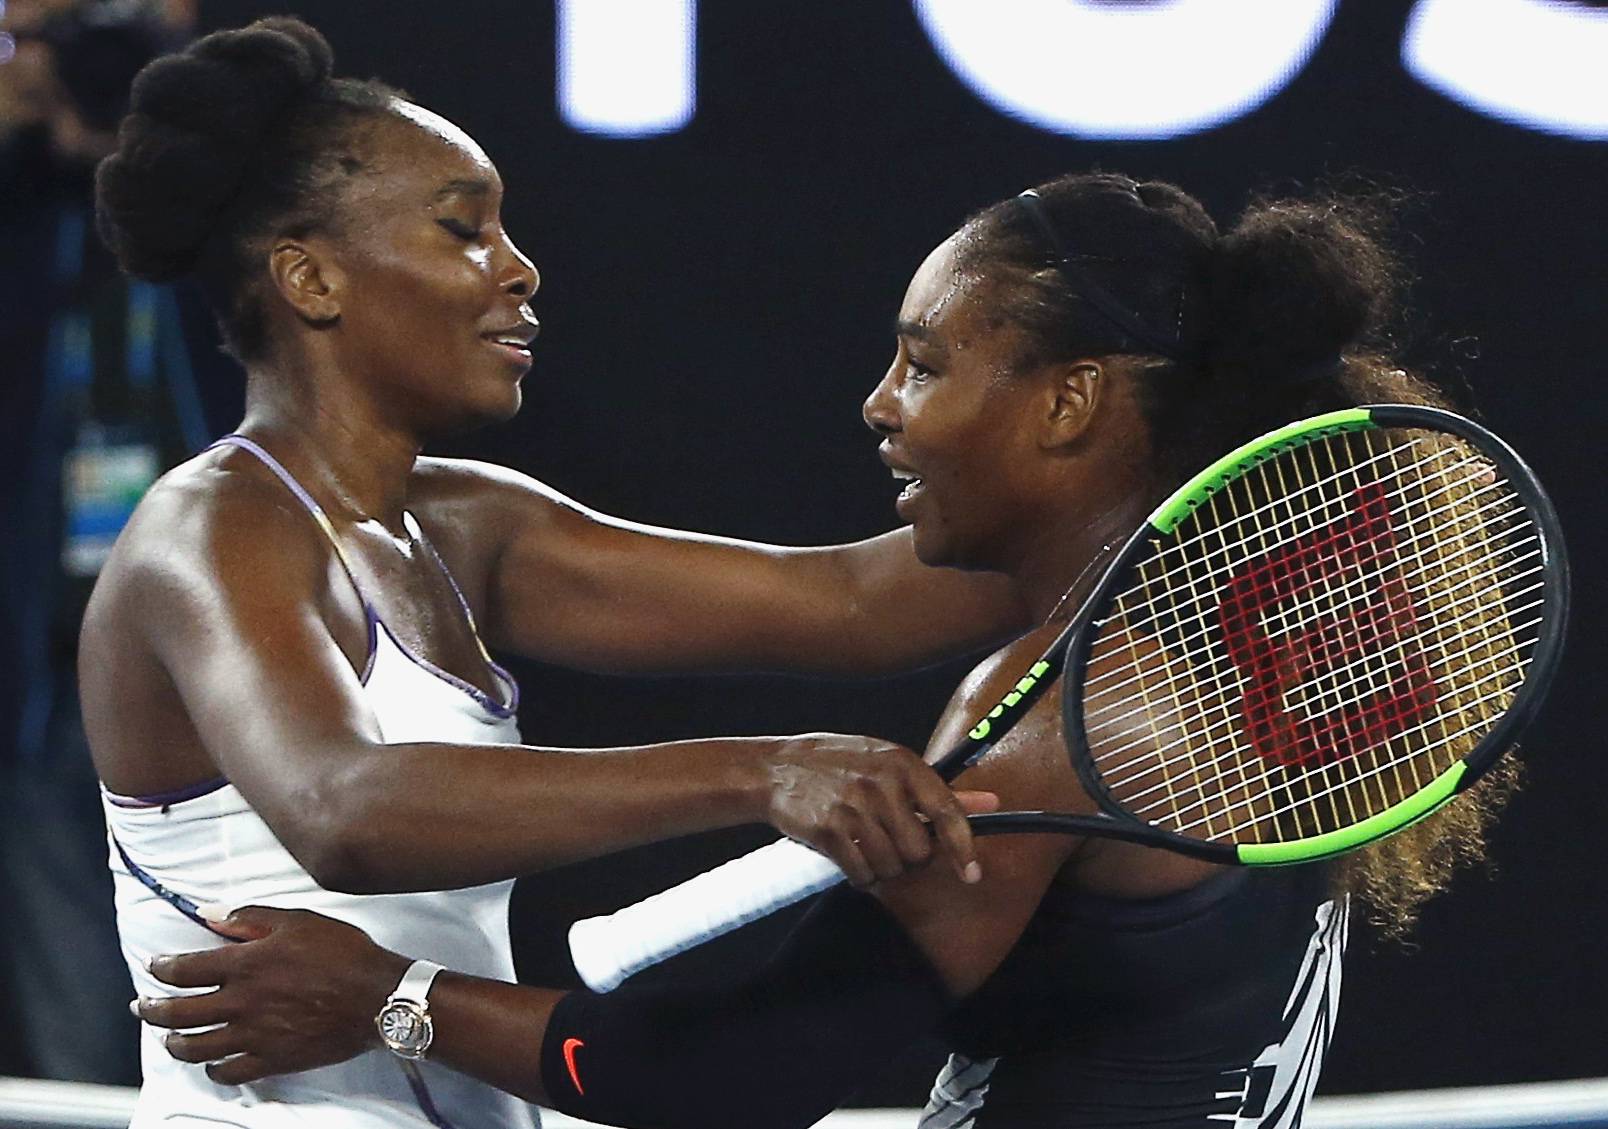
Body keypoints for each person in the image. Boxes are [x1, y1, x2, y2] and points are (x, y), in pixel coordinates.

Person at [135, 171, 1520, 1129]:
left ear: (1069, 405)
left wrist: (394, 999)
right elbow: (849, 605)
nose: (881, 405)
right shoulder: (1236, 659)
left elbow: (734, 1077)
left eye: (925, 363)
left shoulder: (1072, 708)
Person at [83, 17, 1030, 1129]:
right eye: (463, 230)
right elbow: (344, 810)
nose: (518, 268)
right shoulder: (209, 527)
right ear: (311, 278)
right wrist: (763, 770)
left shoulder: (467, 523)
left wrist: (1137, 490)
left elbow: (854, 605)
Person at [0, 0, 209, 1084]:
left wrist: (165, 136)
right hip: (39, 662)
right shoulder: (21, 191)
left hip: (220, 669)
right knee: (79, 1023)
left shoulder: (239, 171)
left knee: (230, 995)